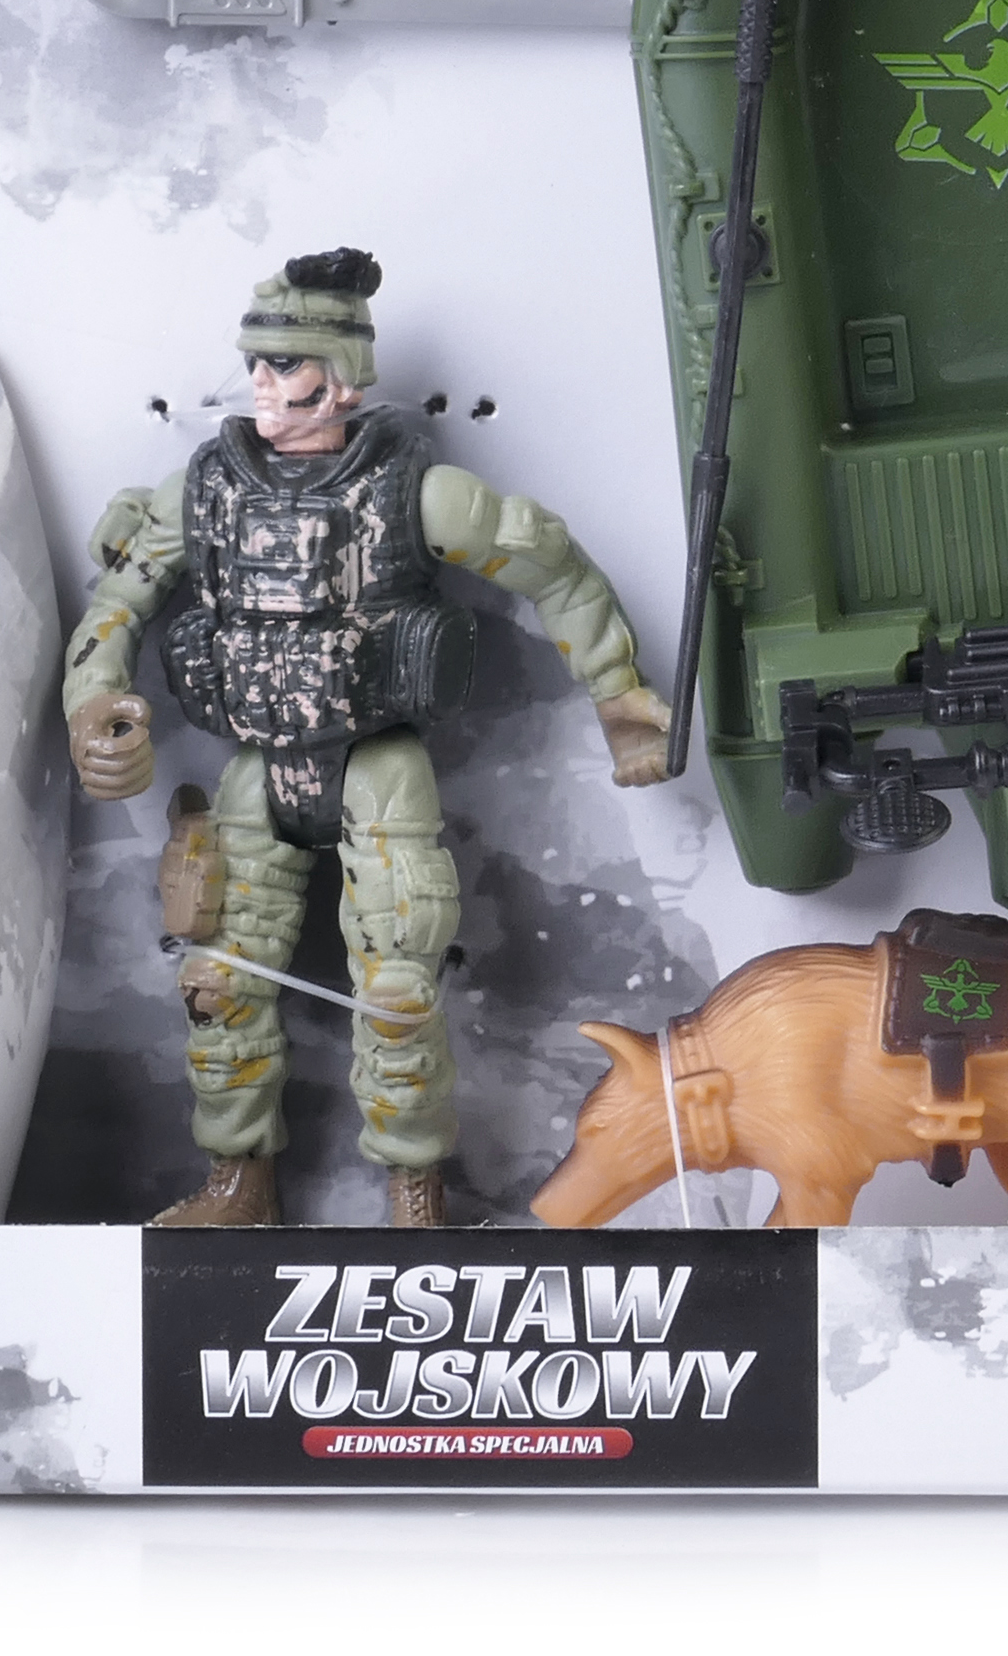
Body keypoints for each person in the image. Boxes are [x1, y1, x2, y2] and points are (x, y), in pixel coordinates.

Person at [61, 247, 670, 1226]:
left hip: (376, 765)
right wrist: (93, 705)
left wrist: (619, 699)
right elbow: (115, 605)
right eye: (256, 366)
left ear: (342, 379)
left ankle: (413, 1196)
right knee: (216, 984)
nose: (265, 388)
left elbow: (552, 567)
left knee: (396, 993)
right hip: (256, 769)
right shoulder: (200, 492)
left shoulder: (418, 493)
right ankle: (237, 1183)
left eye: (287, 368)